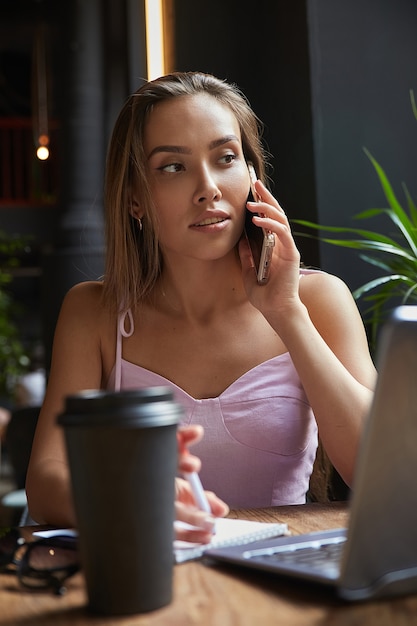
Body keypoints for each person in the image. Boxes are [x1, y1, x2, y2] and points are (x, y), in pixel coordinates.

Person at [26, 71, 376, 537]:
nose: (207, 187)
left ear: (252, 176)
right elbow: (45, 484)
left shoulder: (318, 299)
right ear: (134, 199)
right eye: (173, 166)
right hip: (153, 579)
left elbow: (377, 469)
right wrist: (126, 499)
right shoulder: (95, 312)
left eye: (226, 157)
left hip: (286, 579)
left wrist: (286, 313)